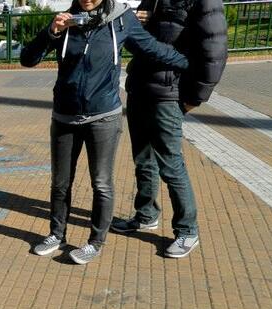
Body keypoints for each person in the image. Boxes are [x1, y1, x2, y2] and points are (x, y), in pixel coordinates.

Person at [20, 0, 188, 264]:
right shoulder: (67, 21)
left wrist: (193, 64)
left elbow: (153, 50)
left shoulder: (121, 19)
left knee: (101, 183)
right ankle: (56, 234)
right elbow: (27, 59)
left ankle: (95, 242)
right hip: (64, 116)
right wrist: (51, 31)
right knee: (60, 182)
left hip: (103, 117)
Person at [110, 0, 228, 259]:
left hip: (169, 93)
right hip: (140, 87)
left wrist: (196, 96)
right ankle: (145, 215)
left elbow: (215, 49)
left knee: (171, 165)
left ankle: (187, 230)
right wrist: (136, 23)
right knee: (143, 159)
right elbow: (133, 42)